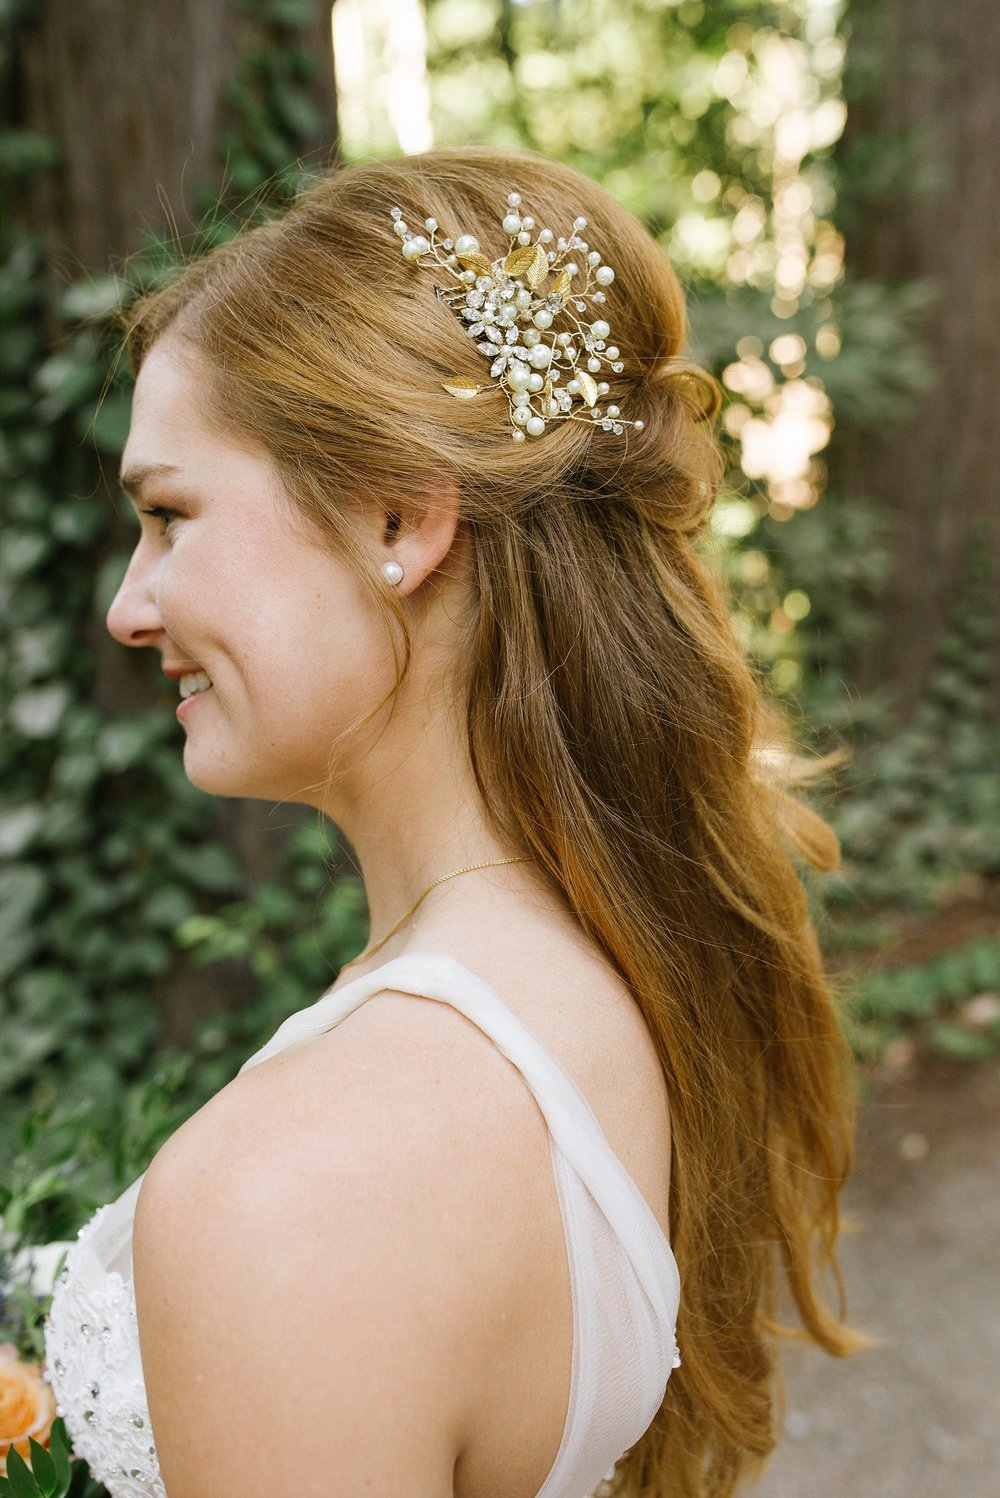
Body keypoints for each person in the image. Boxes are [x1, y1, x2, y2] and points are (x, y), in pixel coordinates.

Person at [44, 146, 865, 1498]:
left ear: (397, 518)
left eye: (168, 515)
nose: (131, 608)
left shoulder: (295, 1191)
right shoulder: (599, 973)